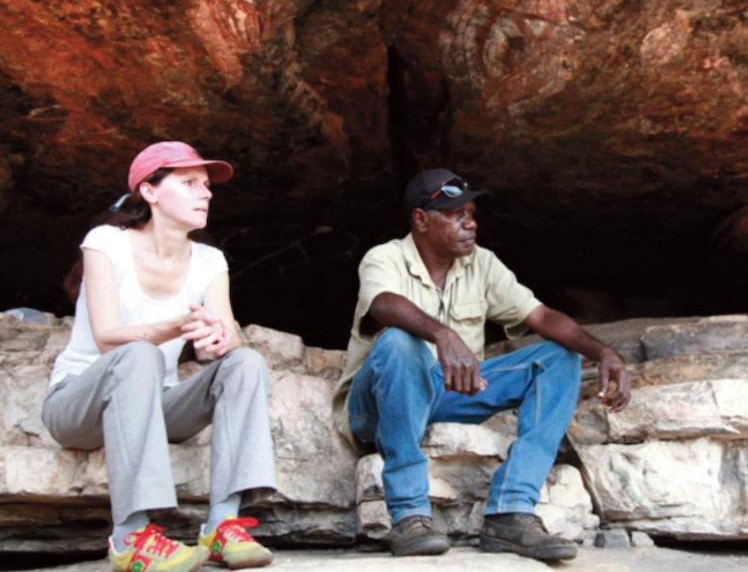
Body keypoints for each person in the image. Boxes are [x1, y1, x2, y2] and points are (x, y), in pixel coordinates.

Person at [332, 168, 632, 561]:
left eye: (471, 212)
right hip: (378, 405)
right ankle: (409, 516)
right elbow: (383, 304)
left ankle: (511, 512)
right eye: (456, 214)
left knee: (559, 356)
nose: (470, 223)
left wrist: (603, 352)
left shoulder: (482, 263)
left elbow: (541, 317)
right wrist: (443, 334)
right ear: (420, 220)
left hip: (452, 394)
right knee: (399, 341)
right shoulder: (384, 257)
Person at [43, 141, 278, 572]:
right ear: (149, 191)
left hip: (156, 404)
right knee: (139, 355)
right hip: (79, 404)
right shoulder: (106, 243)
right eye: (189, 183)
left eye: (206, 186)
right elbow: (107, 338)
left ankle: (222, 525)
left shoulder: (210, 260)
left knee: (246, 363)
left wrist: (218, 341)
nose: (205, 193)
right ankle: (130, 537)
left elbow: (232, 336)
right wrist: (176, 326)